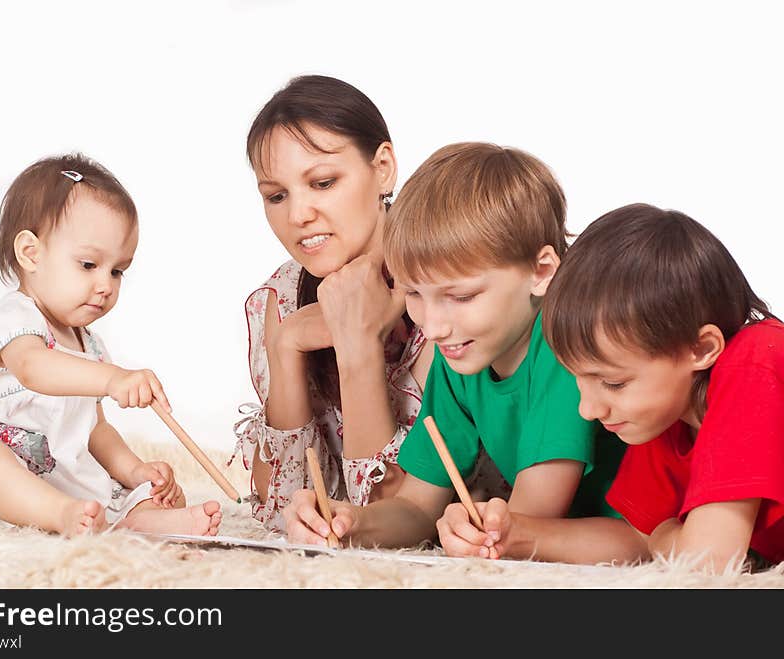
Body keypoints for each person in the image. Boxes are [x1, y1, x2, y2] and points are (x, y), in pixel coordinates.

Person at [282, 142, 625, 550]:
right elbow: (416, 507)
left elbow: (529, 521)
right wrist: (350, 520)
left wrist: (479, 530)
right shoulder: (461, 355)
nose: (435, 325)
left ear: (541, 271)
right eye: (414, 294)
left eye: (460, 297)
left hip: (634, 537)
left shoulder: (563, 346)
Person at [229, 75, 508, 532]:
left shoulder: (445, 296)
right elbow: (273, 508)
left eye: (322, 183)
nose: (298, 216)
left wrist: (357, 345)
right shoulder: (279, 297)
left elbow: (390, 510)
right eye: (276, 196)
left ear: (383, 168)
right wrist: (286, 346)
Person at [0, 154, 223, 538]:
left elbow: (96, 431)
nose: (106, 285)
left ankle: (135, 519)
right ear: (31, 254)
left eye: (117, 270)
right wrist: (112, 379)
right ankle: (61, 516)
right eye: (89, 265)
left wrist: (136, 470)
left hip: (53, 480)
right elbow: (35, 368)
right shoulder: (9, 322)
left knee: (135, 488)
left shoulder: (90, 346)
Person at [473, 203, 784, 573]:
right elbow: (636, 537)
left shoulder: (756, 360)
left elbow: (708, 560)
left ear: (702, 349)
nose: (588, 410)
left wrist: (666, 534)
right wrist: (512, 533)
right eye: (579, 379)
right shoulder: (668, 411)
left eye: (613, 383)